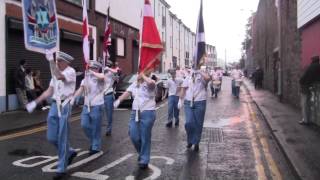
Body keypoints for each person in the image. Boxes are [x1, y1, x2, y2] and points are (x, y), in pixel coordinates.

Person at [26, 51, 78, 179]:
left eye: (59, 61)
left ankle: (61, 168)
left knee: (62, 136)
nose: (57, 63)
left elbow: (60, 76)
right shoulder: (55, 72)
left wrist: (50, 61)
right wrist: (35, 102)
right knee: (51, 137)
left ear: (66, 62)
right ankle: (70, 152)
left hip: (65, 105)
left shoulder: (70, 71)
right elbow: (49, 91)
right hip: (55, 105)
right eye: (56, 61)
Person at [113, 70, 156, 169]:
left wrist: (144, 76)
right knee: (133, 135)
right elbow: (127, 92)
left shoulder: (151, 83)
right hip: (135, 112)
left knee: (145, 137)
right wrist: (118, 100)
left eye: (141, 73)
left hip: (147, 112)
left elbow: (151, 83)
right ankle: (142, 153)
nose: (138, 75)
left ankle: (144, 159)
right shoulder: (135, 84)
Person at [71, 61, 104, 155]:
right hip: (86, 105)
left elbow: (102, 77)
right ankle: (94, 141)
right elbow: (80, 89)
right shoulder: (86, 78)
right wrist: (73, 98)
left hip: (97, 105)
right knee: (84, 125)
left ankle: (95, 146)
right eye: (90, 68)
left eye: (93, 68)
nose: (90, 69)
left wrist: (92, 73)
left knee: (96, 127)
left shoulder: (99, 76)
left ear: (97, 69)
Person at [179, 68, 210, 151]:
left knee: (198, 124)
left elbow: (207, 79)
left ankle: (196, 142)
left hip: (200, 101)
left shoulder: (202, 76)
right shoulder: (188, 76)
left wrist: (199, 71)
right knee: (189, 123)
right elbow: (183, 88)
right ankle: (190, 140)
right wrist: (180, 100)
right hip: (188, 102)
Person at [299, 56, 320, 125]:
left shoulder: (311, 67)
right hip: (315, 87)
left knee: (305, 104)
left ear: (313, 60)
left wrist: (301, 81)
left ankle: (306, 120)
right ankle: (314, 120)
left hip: (306, 87)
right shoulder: (318, 66)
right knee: (314, 104)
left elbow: (304, 78)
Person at [103, 60, 118, 136]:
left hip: (108, 95)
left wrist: (108, 69)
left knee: (109, 114)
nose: (107, 66)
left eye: (108, 65)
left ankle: (109, 129)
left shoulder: (111, 72)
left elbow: (116, 72)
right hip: (99, 96)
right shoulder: (101, 72)